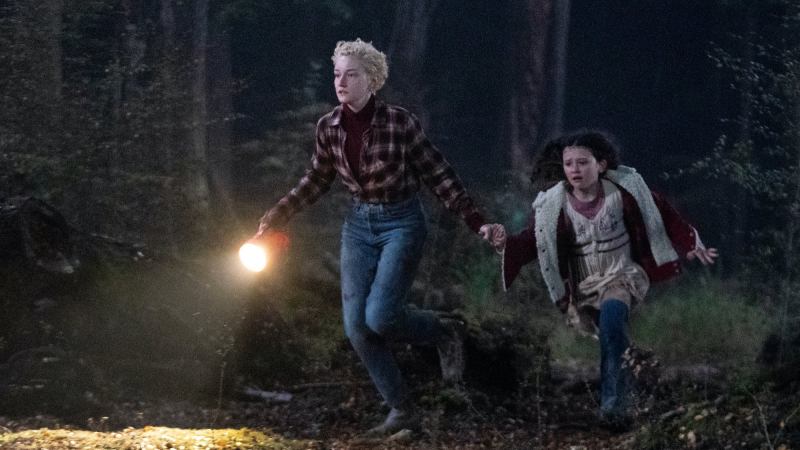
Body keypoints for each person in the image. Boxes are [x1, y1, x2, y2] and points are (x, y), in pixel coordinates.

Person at [254, 39, 486, 436]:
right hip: (359, 225)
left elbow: (437, 172)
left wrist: (475, 219)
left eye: (352, 75)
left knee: (380, 317)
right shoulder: (328, 127)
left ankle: (444, 331)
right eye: (337, 75)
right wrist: (277, 215)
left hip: (402, 221)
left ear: (372, 80)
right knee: (357, 328)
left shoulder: (399, 122)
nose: (341, 83)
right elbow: (317, 179)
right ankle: (402, 409)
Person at [479, 129, 718, 430]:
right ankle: (627, 381)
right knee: (609, 335)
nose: (575, 170)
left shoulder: (626, 191)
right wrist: (504, 242)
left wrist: (690, 243)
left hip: (621, 274)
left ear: (601, 164)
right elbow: (533, 241)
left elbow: (663, 214)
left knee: (613, 321)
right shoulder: (552, 205)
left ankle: (614, 405)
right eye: (569, 164)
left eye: (583, 162)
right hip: (584, 286)